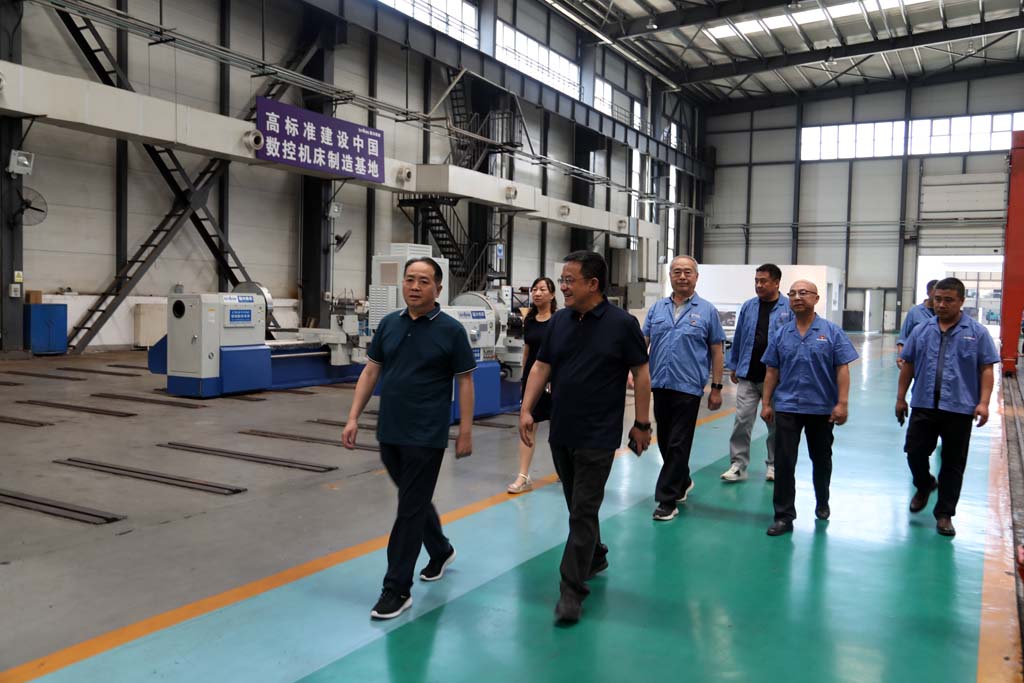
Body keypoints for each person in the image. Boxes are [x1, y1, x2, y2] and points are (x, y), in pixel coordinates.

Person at [519, 250, 651, 624]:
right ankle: (594, 555)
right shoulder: (559, 321)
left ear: (593, 284)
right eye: (562, 280)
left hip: (598, 433)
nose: (562, 287)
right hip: (562, 429)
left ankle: (571, 590)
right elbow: (541, 366)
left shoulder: (622, 324)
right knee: (577, 505)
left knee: (582, 509)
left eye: (569, 280)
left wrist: (642, 424)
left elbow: (641, 374)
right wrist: (526, 409)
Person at [342, 257, 475, 620]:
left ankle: (396, 589)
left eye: (423, 281)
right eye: (410, 279)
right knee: (414, 500)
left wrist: (465, 430)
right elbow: (371, 371)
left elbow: (465, 380)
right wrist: (353, 417)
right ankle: (441, 549)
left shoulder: (451, 331)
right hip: (390, 430)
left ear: (438, 288)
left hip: (426, 433)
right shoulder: (389, 323)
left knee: (408, 510)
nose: (415, 286)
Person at [895, 277, 998, 537]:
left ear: (961, 301)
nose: (941, 305)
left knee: (953, 463)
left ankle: (944, 514)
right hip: (923, 404)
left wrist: (983, 403)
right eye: (937, 299)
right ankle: (924, 484)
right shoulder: (921, 330)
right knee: (914, 452)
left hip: (959, 408)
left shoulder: (977, 333)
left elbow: (986, 369)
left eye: (948, 300)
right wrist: (900, 398)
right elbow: (908, 365)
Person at [761, 280, 858, 537]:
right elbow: (772, 370)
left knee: (821, 460)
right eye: (792, 293)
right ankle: (783, 516)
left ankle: (822, 499)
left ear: (816, 298)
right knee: (784, 463)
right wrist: (766, 403)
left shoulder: (832, 332)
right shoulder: (781, 333)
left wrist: (842, 403)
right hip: (787, 406)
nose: (797, 297)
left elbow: (842, 369)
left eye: (803, 293)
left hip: (821, 408)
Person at [643, 255, 725, 522]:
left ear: (696, 277)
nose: (682, 276)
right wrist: (635, 373)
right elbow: (643, 342)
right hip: (660, 384)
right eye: (677, 271)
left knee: (679, 442)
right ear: (670, 276)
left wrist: (716, 387)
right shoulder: (657, 309)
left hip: (689, 387)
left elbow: (717, 351)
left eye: (687, 272)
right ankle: (683, 479)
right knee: (666, 440)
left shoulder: (707, 311)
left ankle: (666, 500)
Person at [722, 263, 792, 483]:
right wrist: (734, 364)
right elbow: (740, 336)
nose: (759, 285)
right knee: (742, 421)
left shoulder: (788, 308)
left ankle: (774, 464)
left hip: (777, 379)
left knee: (775, 424)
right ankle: (738, 464)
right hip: (748, 375)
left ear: (776, 283)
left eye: (763, 281)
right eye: (756, 281)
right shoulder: (748, 306)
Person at [507, 277, 557, 494]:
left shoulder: (559, 320)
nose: (537, 293)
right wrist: (523, 380)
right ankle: (523, 476)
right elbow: (527, 351)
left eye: (542, 289)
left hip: (555, 380)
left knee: (559, 428)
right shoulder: (529, 320)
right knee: (528, 425)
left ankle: (565, 469)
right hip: (532, 379)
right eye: (535, 289)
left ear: (552, 295)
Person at [896, 279, 938, 369]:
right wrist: (900, 356)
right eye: (935, 294)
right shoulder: (915, 312)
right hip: (918, 361)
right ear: (928, 293)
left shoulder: (943, 313)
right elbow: (903, 339)